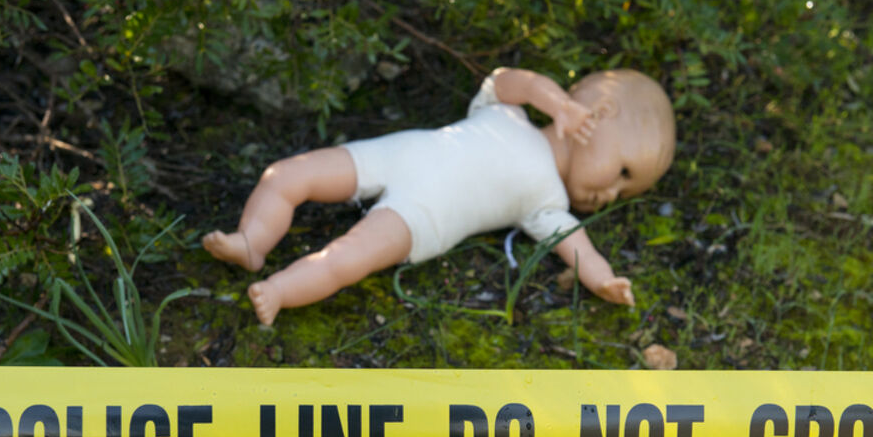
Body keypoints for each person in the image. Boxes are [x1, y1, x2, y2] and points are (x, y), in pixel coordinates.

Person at [203, 67, 676, 325]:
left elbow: (579, 248)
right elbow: (515, 80)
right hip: (399, 154)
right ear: (601, 112)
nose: (613, 193)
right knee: (290, 174)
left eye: (625, 192)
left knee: (347, 257)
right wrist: (560, 105)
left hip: (425, 216)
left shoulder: (547, 203)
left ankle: (280, 291)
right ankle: (252, 241)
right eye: (623, 173)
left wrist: (604, 281)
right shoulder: (508, 112)